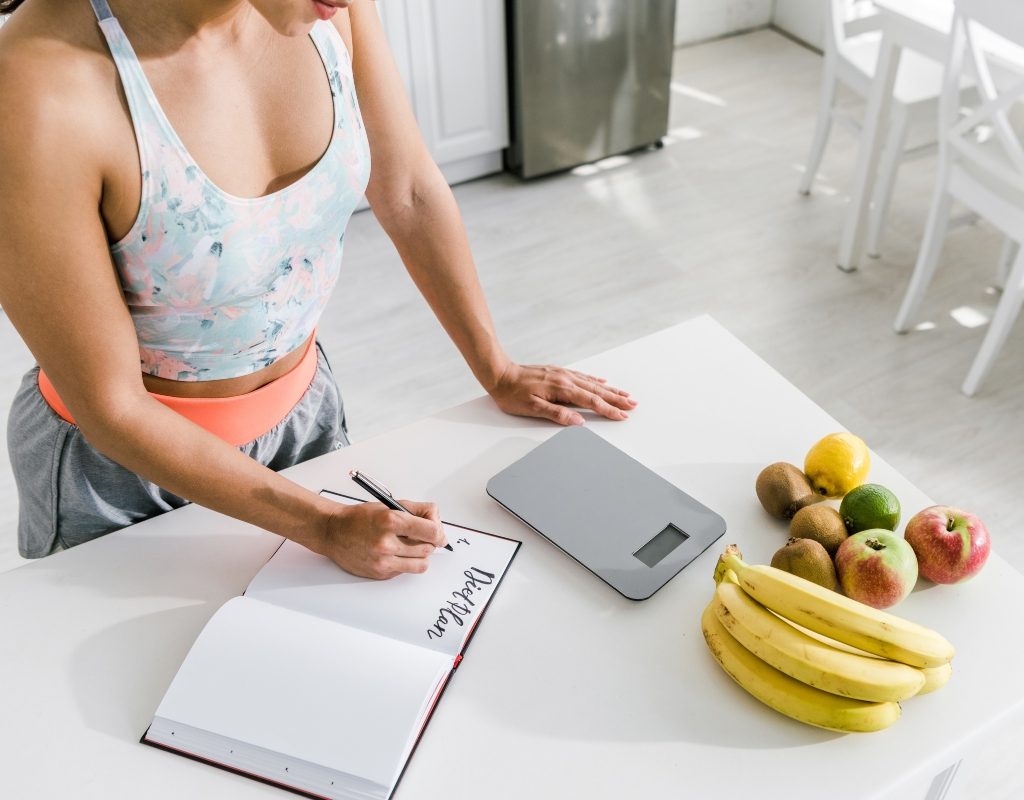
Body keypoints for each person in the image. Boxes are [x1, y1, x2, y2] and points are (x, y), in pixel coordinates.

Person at [0, 0, 635, 579]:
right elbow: (112, 408)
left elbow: (407, 190)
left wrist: (496, 368)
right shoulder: (36, 86)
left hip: (307, 424)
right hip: (123, 479)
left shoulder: (330, 11)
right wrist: (322, 526)